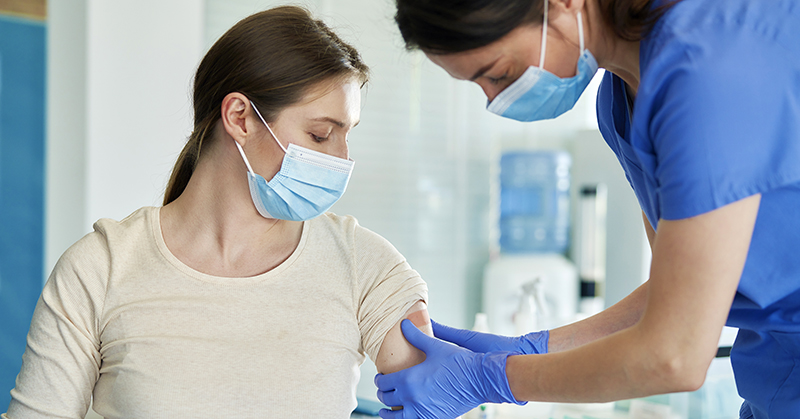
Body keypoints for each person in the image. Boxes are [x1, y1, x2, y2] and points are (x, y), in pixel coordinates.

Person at [3, 6, 433, 419]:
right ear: (240, 117)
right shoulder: (102, 268)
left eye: (347, 136)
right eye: (321, 135)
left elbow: (430, 399)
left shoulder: (365, 266)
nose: (342, 159)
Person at [375, 0, 800, 418]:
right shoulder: (620, 99)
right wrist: (532, 348)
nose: (494, 100)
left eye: (498, 73)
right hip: (778, 379)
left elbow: (675, 354)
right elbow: (677, 291)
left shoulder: (708, 68)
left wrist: (495, 378)